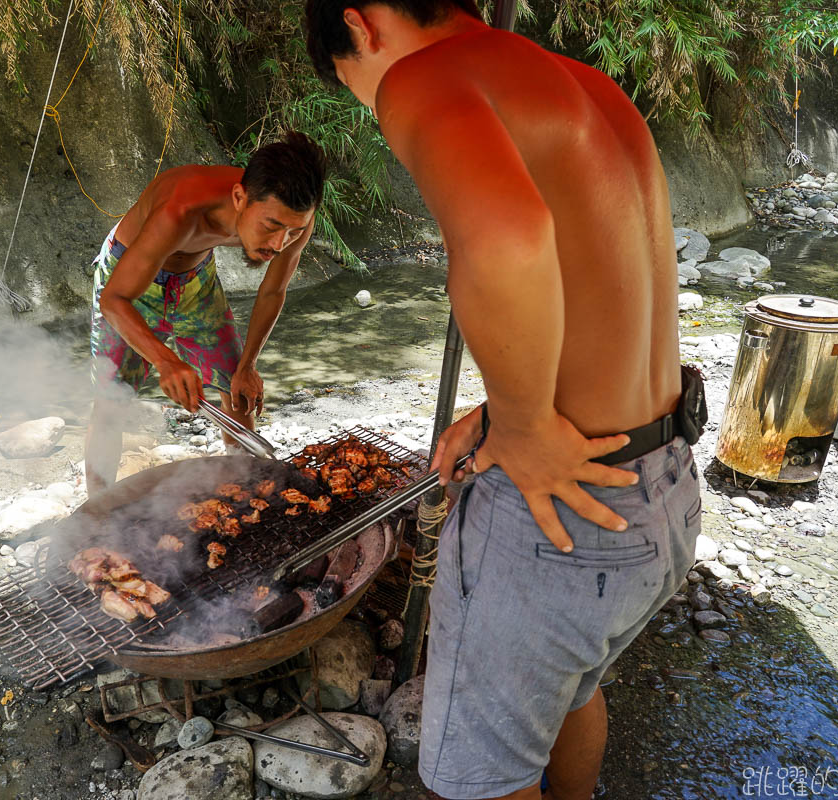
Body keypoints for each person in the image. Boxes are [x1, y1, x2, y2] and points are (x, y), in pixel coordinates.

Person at [304, 2, 701, 799]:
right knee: (570, 696)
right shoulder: (580, 83)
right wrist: (496, 413)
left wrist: (521, 427)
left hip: (562, 514)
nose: (373, 108)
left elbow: (509, 241)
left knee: (481, 777)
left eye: (354, 85)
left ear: (363, 24)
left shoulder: (424, 76)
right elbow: (605, 291)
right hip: (663, 486)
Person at [86, 132, 327, 507]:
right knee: (110, 403)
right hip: (130, 273)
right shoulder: (181, 209)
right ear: (238, 198)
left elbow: (273, 291)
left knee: (237, 388)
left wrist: (248, 365)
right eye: (270, 226)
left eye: (293, 231)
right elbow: (115, 300)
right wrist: (166, 362)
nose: (279, 244)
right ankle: (95, 513)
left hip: (194, 278)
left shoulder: (295, 219)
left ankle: (246, 494)